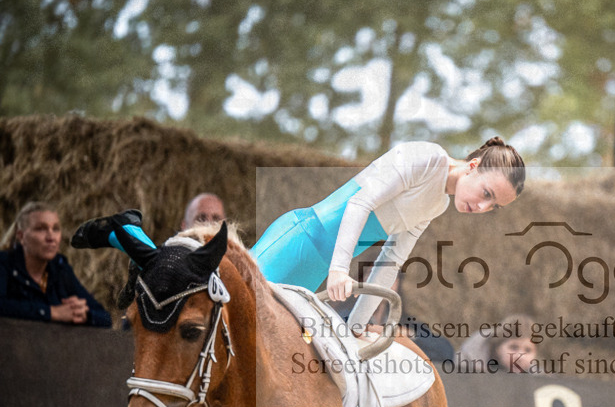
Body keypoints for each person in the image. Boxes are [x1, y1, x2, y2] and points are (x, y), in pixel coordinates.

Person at [72, 138, 525, 333]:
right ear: (472, 166)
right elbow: (359, 204)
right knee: (210, 292)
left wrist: (355, 328)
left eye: (494, 207)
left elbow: (392, 260)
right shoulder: (425, 158)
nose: (483, 207)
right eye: (486, 193)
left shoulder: (439, 203)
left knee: (251, 332)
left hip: (317, 270)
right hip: (303, 239)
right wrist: (340, 269)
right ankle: (126, 231)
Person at [0, 202, 112, 327]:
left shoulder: (60, 269)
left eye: (55, 229)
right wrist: (52, 312)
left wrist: (85, 314)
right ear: (21, 236)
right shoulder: (4, 263)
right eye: (40, 229)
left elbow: (107, 318)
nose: (51, 237)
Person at [458, 314, 539, 373]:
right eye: (513, 347)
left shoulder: (537, 378)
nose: (520, 357)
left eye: (528, 350)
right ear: (498, 348)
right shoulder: (463, 367)